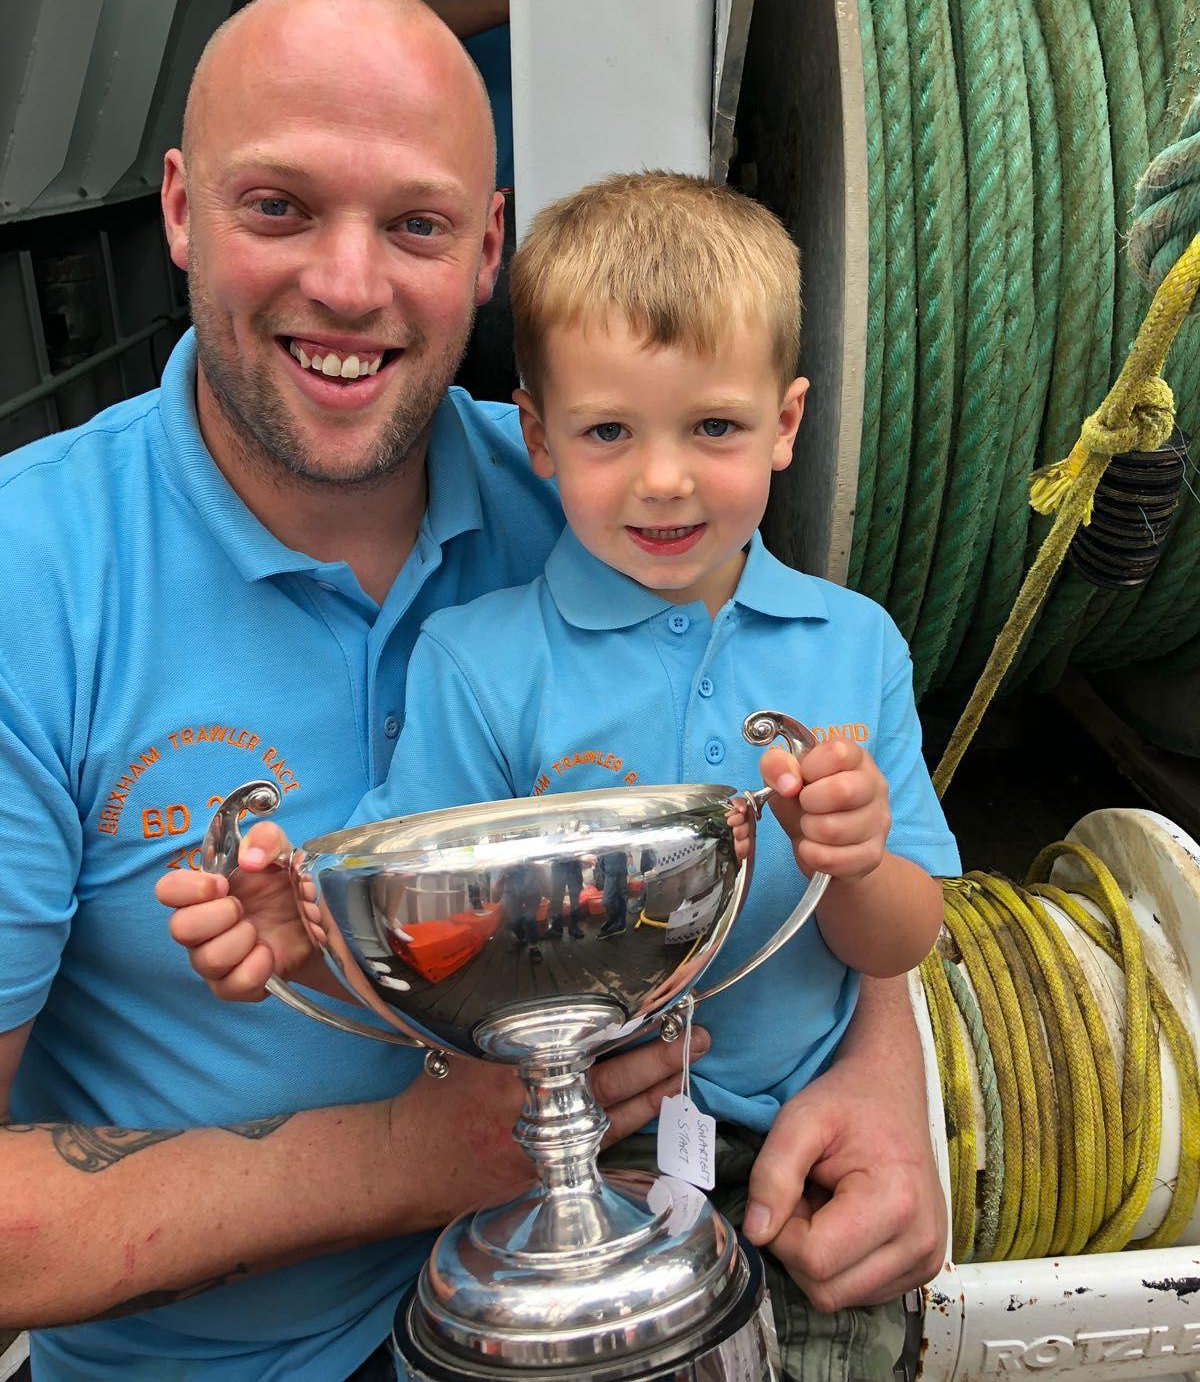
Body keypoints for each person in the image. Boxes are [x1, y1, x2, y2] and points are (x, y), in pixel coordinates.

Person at [0, 0, 709, 1382]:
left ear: (489, 246)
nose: (347, 283)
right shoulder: (32, 577)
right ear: (183, 209)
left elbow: (803, 763)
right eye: (280, 208)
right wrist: (401, 1162)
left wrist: (883, 1066)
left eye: (417, 225)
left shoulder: (596, 519)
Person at [161, 171, 960, 1381]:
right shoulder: (480, 665)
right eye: (607, 432)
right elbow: (416, 923)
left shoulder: (853, 646)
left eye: (715, 427)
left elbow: (902, 934)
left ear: (787, 421)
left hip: (809, 1155)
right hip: (573, 1158)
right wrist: (299, 930)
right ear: (535, 437)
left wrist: (853, 856)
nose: (664, 480)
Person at [367, 0, 514, 400]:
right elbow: (387, 18)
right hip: (450, 202)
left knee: (531, 383)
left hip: (553, 200)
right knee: (446, 384)